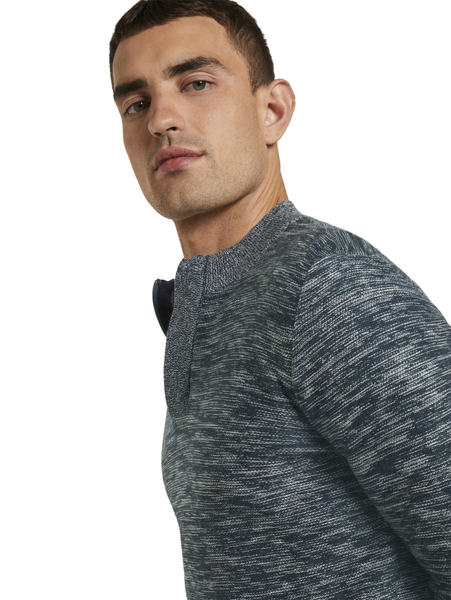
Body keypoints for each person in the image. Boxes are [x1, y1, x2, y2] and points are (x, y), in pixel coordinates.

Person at [109, 1, 451, 598]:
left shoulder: (327, 286)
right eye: (136, 102)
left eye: (196, 83)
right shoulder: (219, 301)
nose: (161, 119)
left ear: (272, 111)